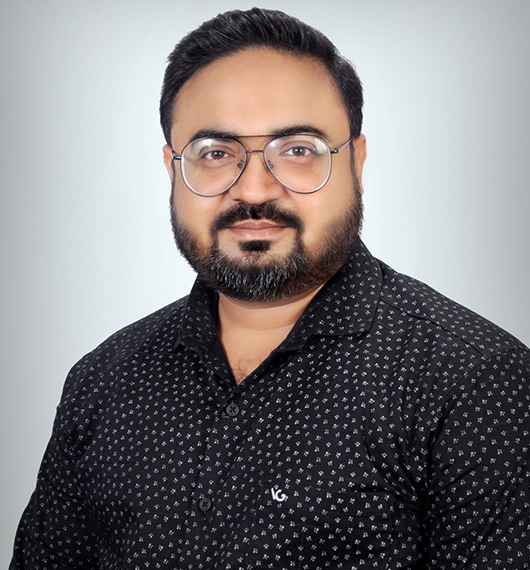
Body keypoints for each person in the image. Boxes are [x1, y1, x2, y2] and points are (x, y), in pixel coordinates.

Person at [10, 7, 530, 569]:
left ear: (356, 162)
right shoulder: (103, 381)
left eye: (298, 150)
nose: (254, 190)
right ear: (172, 169)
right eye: (216, 153)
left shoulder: (474, 382)